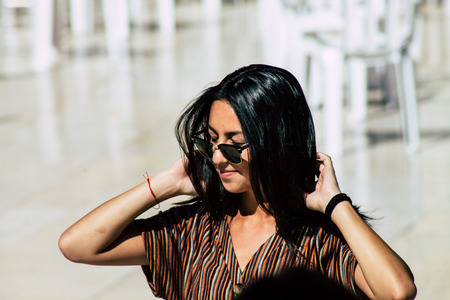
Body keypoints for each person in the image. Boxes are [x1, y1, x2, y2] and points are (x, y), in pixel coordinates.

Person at [59, 64, 416, 300]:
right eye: (211, 141)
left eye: (233, 145)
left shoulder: (319, 238)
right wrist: (166, 184)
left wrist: (336, 205)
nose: (216, 157)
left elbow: (398, 291)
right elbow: (78, 245)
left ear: (275, 142)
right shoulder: (192, 229)